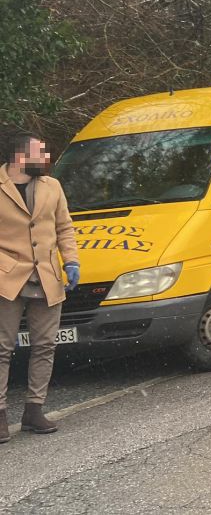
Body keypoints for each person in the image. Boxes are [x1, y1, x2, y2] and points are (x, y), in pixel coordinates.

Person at [0, 132, 79, 443]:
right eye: (40, 153)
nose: (47, 158)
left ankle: (34, 410)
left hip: (47, 275)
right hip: (7, 278)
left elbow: (64, 227)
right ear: (20, 155)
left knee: (45, 345)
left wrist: (71, 261)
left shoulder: (53, 186)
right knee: (2, 349)